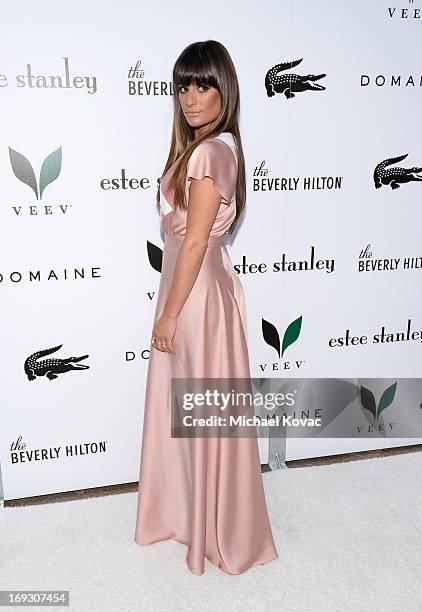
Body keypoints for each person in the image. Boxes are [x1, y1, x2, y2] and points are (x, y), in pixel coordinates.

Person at [134, 40, 278, 576]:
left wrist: (169, 315)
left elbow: (193, 243)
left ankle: (204, 528)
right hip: (200, 289)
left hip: (192, 296)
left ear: (225, 88)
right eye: (183, 86)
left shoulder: (209, 153)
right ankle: (199, 521)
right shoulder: (218, 149)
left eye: (203, 84)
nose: (190, 97)